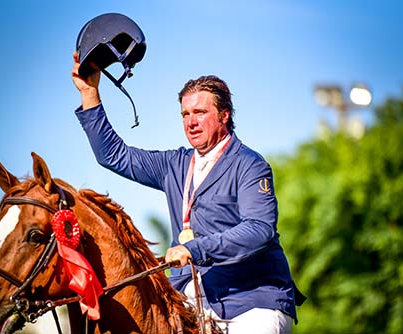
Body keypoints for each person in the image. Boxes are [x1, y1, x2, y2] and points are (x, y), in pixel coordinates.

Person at [71, 51, 297, 333]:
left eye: (200, 112)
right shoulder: (173, 165)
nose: (191, 122)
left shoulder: (251, 165)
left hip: (251, 302)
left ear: (224, 115)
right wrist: (89, 93)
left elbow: (259, 229)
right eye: (185, 114)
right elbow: (113, 155)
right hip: (190, 301)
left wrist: (195, 249)